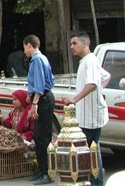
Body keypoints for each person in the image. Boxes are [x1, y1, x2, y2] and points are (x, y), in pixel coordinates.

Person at [62, 33, 111, 186]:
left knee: (91, 153)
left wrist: (74, 99)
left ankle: (96, 183)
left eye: (74, 43)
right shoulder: (87, 61)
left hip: (91, 116)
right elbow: (105, 76)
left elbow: (92, 84)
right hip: (87, 115)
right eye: (71, 44)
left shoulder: (90, 60)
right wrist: (98, 92)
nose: (72, 47)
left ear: (85, 44)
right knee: (91, 152)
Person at [23, 35, 55, 185]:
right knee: (38, 136)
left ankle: (47, 172)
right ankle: (42, 170)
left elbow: (40, 83)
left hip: (43, 99)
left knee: (42, 137)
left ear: (29, 45)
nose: (24, 52)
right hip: (41, 98)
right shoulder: (39, 59)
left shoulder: (37, 60)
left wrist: (34, 103)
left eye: (25, 47)